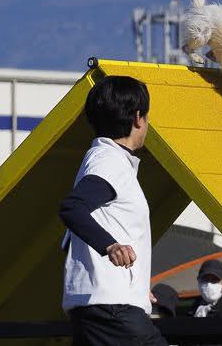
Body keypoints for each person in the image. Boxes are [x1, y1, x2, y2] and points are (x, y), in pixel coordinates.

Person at [58, 75, 167, 345]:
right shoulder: (110, 162)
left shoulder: (102, 159)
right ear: (138, 118)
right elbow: (73, 207)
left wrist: (138, 289)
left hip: (104, 307)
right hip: (113, 312)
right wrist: (110, 246)